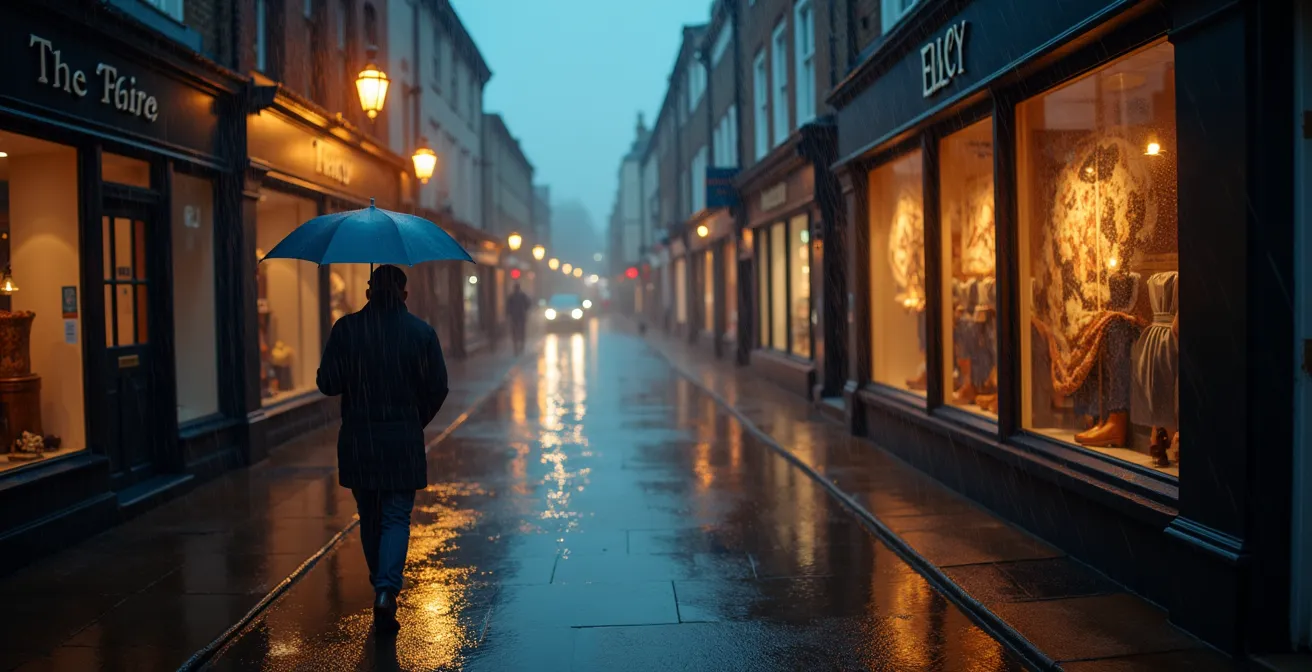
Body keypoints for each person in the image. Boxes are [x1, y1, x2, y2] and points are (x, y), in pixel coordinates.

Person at [316, 264, 448, 634]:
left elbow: (327, 383)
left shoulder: (346, 329)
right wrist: (413, 420)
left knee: (370, 516)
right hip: (402, 441)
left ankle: (381, 585)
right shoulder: (421, 333)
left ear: (368, 292)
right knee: (395, 516)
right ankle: (386, 591)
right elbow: (438, 387)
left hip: (360, 439)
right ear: (404, 295)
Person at [506, 282, 531, 355]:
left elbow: (508, 307)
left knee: (516, 331)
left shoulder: (512, 296)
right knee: (520, 331)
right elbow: (528, 304)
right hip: (520, 316)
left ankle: (517, 346)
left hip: (516, 316)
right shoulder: (521, 296)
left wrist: (509, 314)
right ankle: (519, 346)